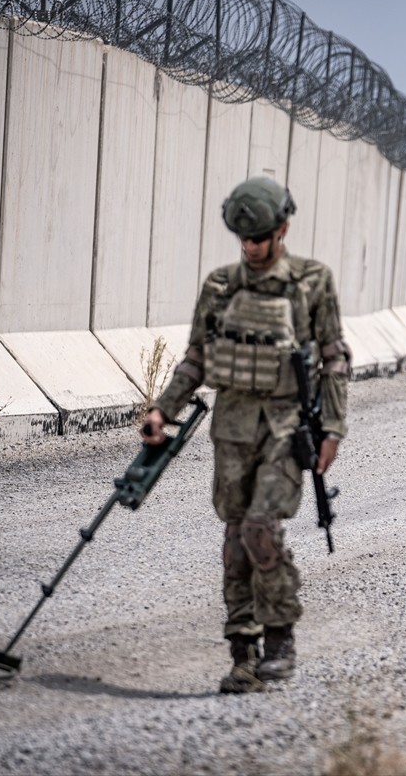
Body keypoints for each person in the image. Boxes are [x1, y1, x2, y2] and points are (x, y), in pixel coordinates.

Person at [140, 176, 351, 693]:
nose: (252, 248)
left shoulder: (312, 281)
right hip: (232, 430)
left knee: (261, 529)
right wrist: (162, 411)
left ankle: (280, 639)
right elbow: (197, 358)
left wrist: (333, 428)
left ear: (283, 229)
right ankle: (243, 652)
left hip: (286, 428)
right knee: (235, 542)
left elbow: (334, 358)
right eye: (244, 239)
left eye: (261, 238)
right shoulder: (220, 286)